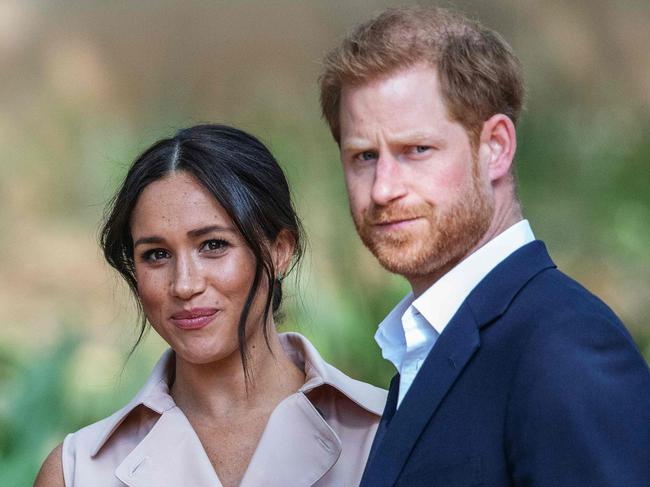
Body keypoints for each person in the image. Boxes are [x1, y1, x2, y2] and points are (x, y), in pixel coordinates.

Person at [319, 6, 650, 486]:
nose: (383, 189)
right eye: (364, 156)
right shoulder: (428, 344)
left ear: (495, 146)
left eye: (416, 150)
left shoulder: (563, 346)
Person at [34, 124, 386, 487]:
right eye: (156, 255)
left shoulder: (387, 431)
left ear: (280, 250)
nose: (185, 284)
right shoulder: (77, 472)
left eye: (213, 245)